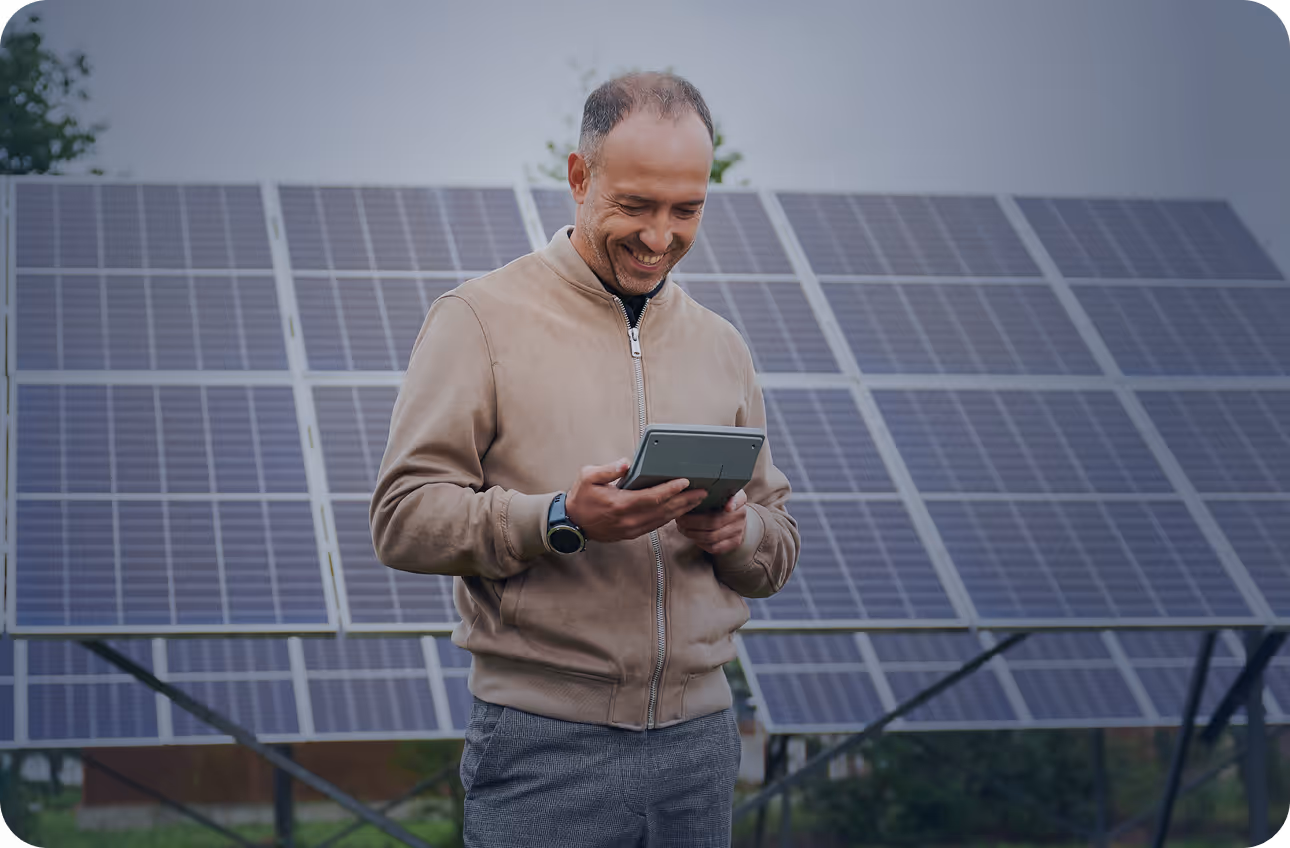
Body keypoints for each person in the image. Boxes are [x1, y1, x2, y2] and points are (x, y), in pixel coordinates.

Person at [371, 71, 800, 847]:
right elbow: (402, 519)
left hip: (702, 746)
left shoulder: (721, 345)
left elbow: (777, 544)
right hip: (544, 748)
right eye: (635, 205)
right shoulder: (478, 321)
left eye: (687, 209)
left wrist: (740, 536)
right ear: (579, 176)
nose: (660, 236)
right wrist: (561, 519)